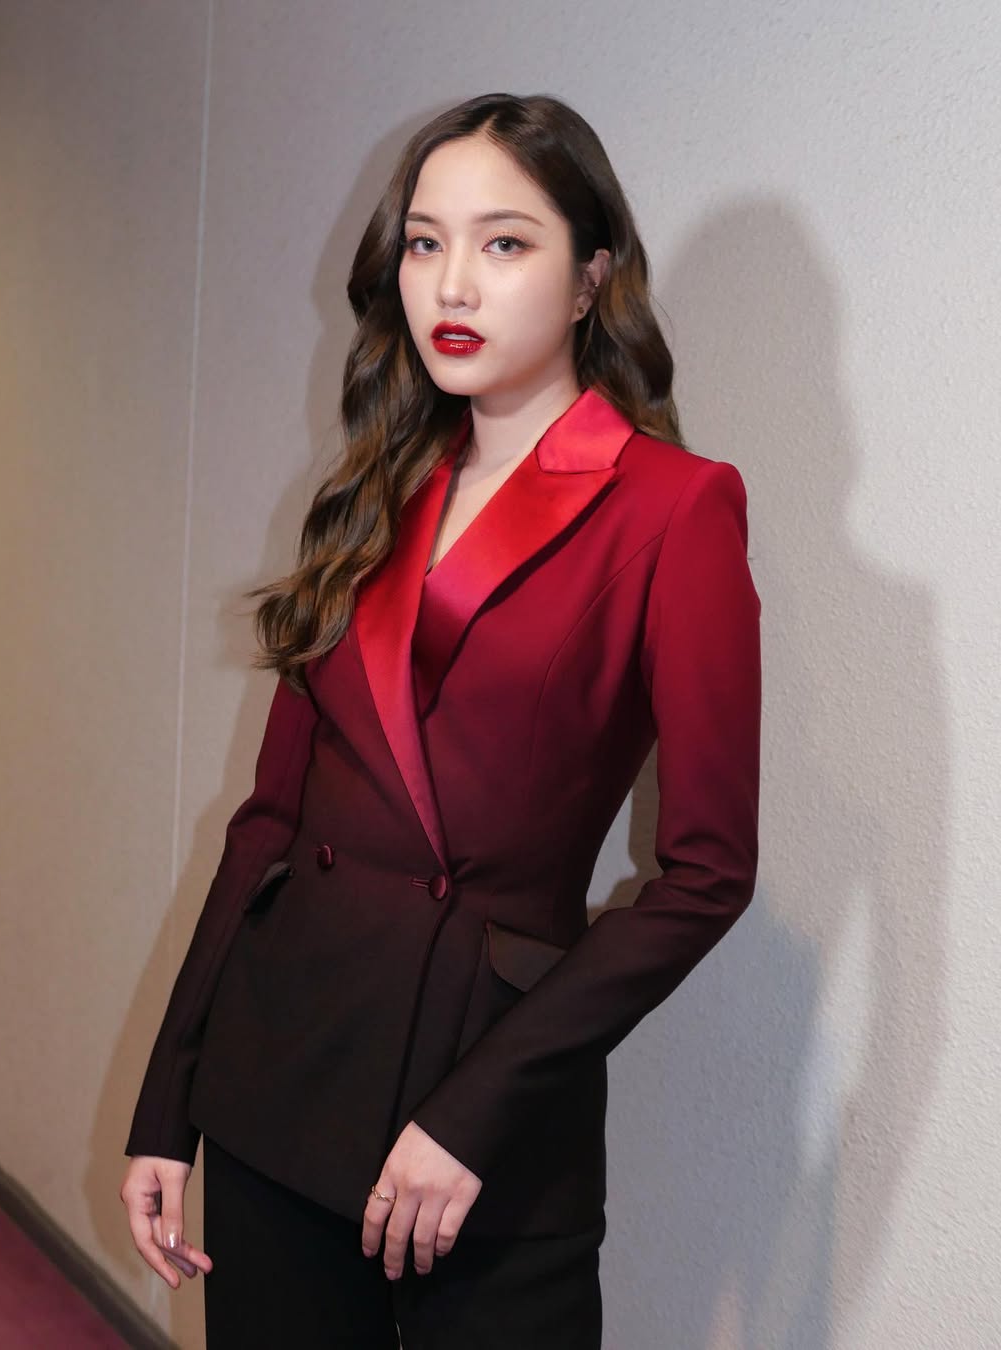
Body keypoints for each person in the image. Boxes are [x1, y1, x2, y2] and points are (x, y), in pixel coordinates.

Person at [119, 91, 761, 1348]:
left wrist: (475, 1110)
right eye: (425, 243)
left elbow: (707, 877)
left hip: (489, 1122)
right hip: (276, 1082)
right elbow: (267, 828)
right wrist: (167, 1100)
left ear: (591, 280)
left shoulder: (674, 509)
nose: (452, 283)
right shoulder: (373, 488)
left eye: (504, 242)